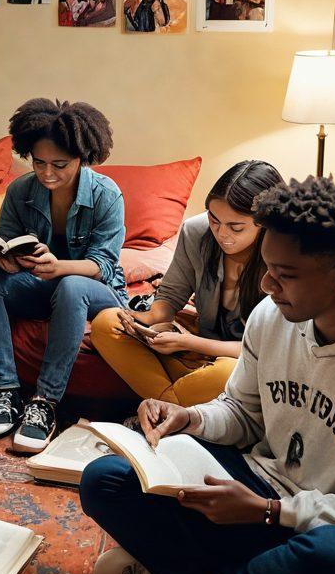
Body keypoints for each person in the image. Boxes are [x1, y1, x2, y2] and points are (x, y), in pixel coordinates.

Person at [80, 176, 335, 574]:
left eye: (284, 275)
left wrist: (271, 512)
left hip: (328, 528)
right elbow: (242, 413)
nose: (266, 287)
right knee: (106, 479)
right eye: (266, 268)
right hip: (260, 493)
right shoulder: (273, 317)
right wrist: (193, 419)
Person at [0, 99, 126, 452]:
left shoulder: (106, 194)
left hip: (94, 290)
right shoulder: (20, 191)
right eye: (39, 163)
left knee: (72, 286)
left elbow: (103, 264)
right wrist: (6, 262)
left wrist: (60, 266)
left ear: (82, 157)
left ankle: (44, 403)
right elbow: (8, 242)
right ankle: (6, 393)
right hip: (40, 284)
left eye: (60, 165)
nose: (47, 174)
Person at [91, 161, 284, 405]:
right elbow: (171, 295)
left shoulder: (285, 257)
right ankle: (176, 403)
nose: (221, 234)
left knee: (227, 373)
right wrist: (147, 321)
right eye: (214, 220)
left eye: (235, 227)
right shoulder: (196, 231)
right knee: (107, 322)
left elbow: (265, 351)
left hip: (241, 357)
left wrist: (187, 342)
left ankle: (164, 406)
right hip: (198, 343)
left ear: (265, 222)